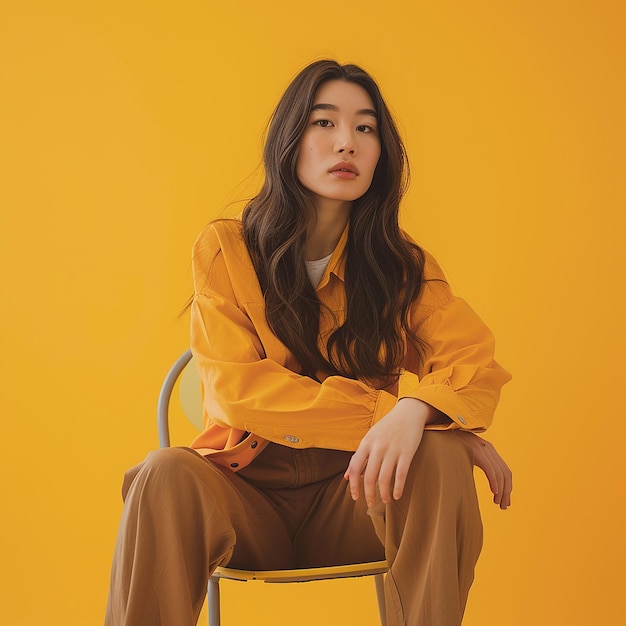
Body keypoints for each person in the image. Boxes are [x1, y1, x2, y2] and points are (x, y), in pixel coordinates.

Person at [105, 59, 512, 626]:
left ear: (381, 154)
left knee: (438, 453)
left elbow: (472, 363)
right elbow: (237, 393)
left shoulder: (402, 268)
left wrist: (426, 414)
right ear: (289, 140)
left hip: (357, 496)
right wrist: (389, 413)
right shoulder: (226, 250)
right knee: (164, 472)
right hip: (245, 500)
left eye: (365, 128)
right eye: (325, 123)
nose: (346, 142)